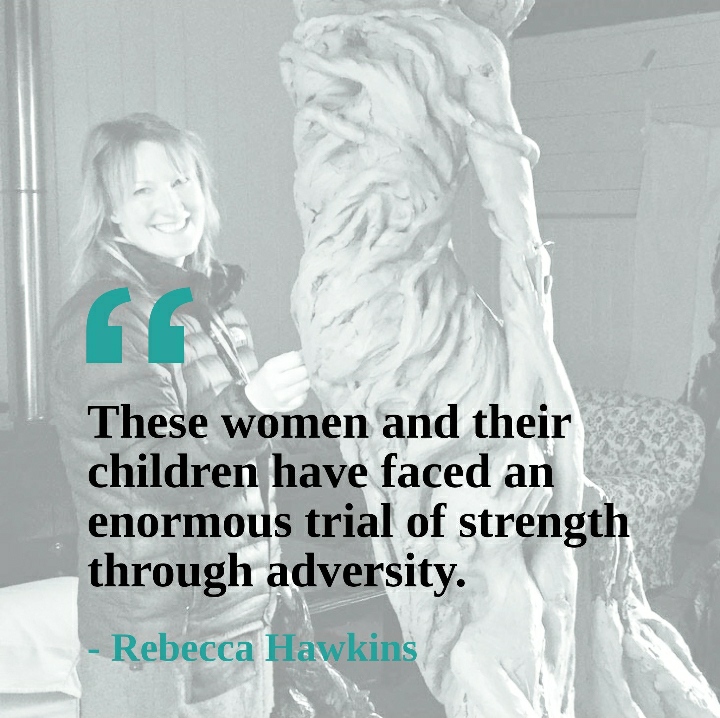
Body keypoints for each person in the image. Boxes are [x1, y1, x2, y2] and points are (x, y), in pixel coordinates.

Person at [50, 113, 309, 717]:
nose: (170, 204)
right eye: (142, 189)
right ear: (111, 213)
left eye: (181, 181)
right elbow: (156, 472)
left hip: (236, 624)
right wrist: (254, 404)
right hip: (157, 641)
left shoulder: (208, 309)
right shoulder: (107, 319)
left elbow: (238, 474)